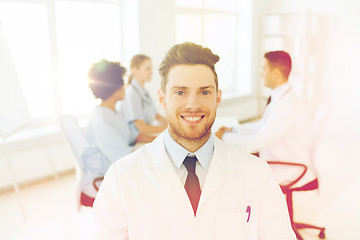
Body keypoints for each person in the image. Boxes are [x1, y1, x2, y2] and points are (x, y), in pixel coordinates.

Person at [92, 43, 295, 239]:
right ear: (162, 100)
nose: (193, 104)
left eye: (204, 92)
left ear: (217, 98)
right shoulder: (122, 176)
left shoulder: (257, 173)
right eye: (180, 92)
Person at [216, 50, 315, 187]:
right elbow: (261, 126)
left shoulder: (287, 106)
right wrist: (233, 130)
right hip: (275, 157)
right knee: (233, 159)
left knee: (230, 169)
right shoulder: (282, 98)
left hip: (287, 168)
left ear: (275, 73)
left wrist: (224, 137)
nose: (261, 74)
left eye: (264, 69)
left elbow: (258, 142)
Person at [81, 60, 155, 207]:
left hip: (116, 174)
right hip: (100, 186)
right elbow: (124, 159)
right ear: (114, 89)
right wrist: (155, 152)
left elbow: (134, 136)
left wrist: (161, 141)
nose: (124, 87)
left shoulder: (114, 112)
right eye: (122, 83)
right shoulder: (102, 121)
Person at [116, 54, 167, 135]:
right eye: (148, 69)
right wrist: (170, 128)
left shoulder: (145, 92)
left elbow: (158, 117)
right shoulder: (131, 93)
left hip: (146, 135)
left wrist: (175, 125)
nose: (152, 72)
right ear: (135, 70)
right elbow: (142, 129)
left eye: (151, 68)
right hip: (135, 140)